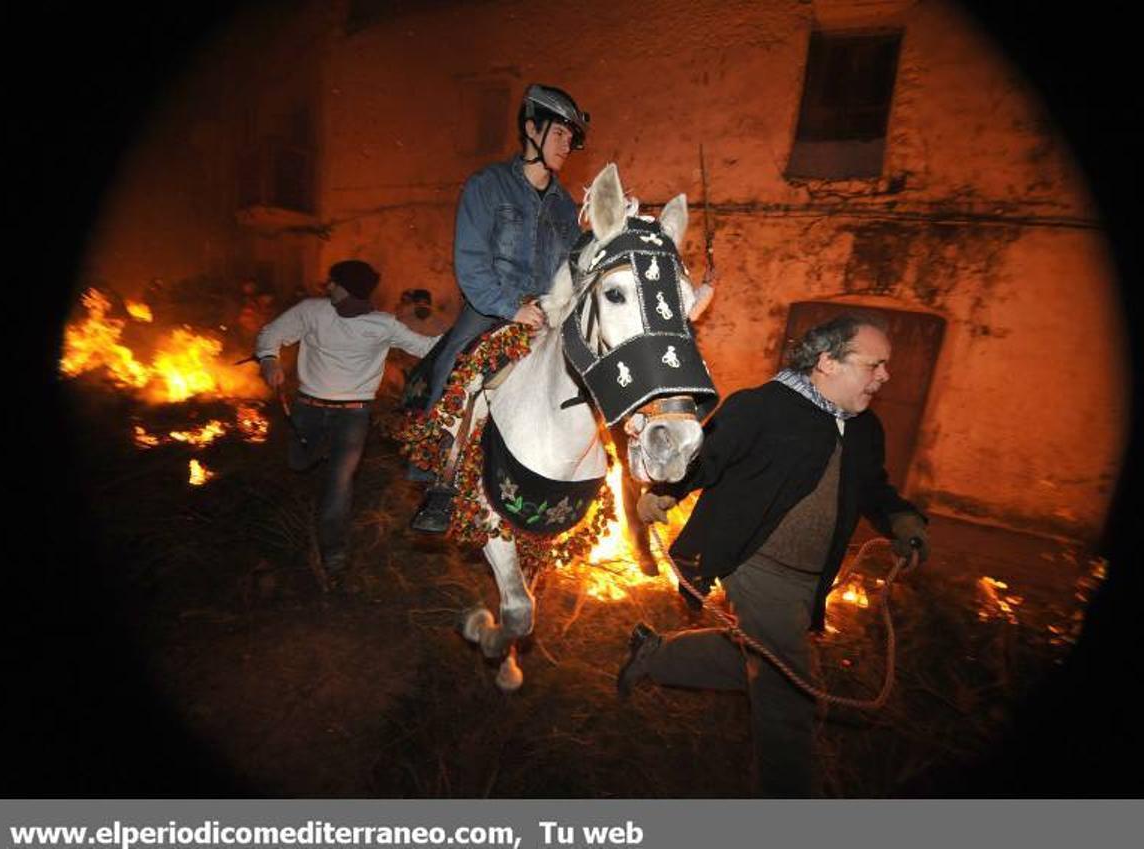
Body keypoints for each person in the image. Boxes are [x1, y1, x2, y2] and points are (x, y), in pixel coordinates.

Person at [617, 312, 930, 797]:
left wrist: (903, 521)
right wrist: (662, 492)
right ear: (827, 362)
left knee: (758, 656)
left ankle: (654, 655)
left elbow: (874, 489)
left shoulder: (866, 429)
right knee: (790, 695)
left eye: (885, 366)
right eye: (875, 365)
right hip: (756, 566)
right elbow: (704, 458)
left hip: (812, 578)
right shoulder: (761, 408)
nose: (885, 376)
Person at [410, 83, 589, 530]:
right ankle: (441, 479)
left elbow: (573, 268)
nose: (568, 145)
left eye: (572, 138)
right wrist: (512, 307)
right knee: (453, 369)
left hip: (550, 314)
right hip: (491, 308)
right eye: (560, 134)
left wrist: (600, 232)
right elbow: (470, 264)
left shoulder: (568, 208)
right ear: (531, 128)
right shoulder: (487, 186)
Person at [255, 260, 438, 585]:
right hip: (308, 408)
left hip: (353, 416)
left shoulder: (383, 324)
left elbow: (426, 348)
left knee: (338, 483)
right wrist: (268, 359)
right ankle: (320, 453)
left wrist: (469, 336)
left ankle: (334, 552)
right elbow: (272, 333)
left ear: (348, 288)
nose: (328, 287)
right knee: (298, 462)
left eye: (334, 283)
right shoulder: (312, 311)